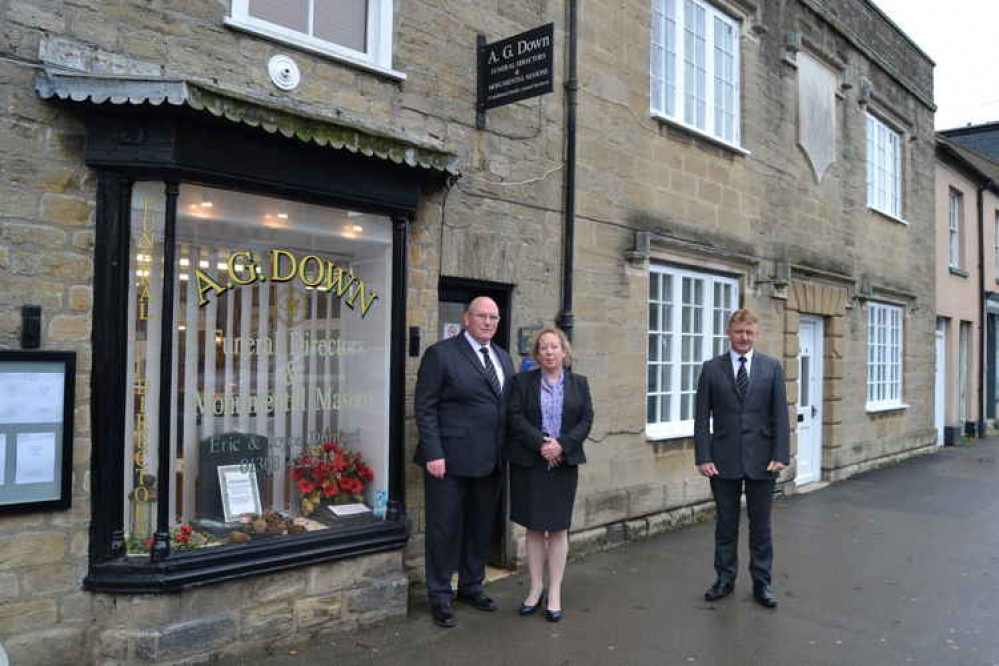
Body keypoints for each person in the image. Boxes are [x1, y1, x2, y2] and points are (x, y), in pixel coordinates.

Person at [413, 296, 515, 628]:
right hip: (449, 461)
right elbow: (425, 407)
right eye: (482, 316)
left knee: (480, 526)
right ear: (466, 318)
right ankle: (440, 595)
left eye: (494, 318)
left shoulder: (502, 357)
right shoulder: (441, 354)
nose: (488, 322)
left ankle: (471, 586)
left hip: (491, 460)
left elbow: (507, 408)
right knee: (444, 529)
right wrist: (434, 453)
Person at [694, 308, 789, 609]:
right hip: (722, 460)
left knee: (761, 527)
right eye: (739, 332)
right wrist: (703, 456)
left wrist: (780, 454)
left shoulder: (772, 368)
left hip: (763, 461)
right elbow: (700, 418)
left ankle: (762, 583)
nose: (744, 337)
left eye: (749, 332)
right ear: (729, 333)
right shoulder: (711, 369)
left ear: (756, 334)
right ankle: (724, 579)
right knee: (726, 524)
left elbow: (779, 414)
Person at [506, 328, 594, 622]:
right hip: (531, 463)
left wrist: (562, 445)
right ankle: (535, 588)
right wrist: (541, 443)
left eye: (554, 347)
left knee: (557, 529)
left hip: (563, 464)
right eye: (543, 347)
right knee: (533, 528)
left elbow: (586, 419)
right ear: (537, 354)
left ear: (564, 351)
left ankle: (554, 592)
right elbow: (514, 417)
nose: (549, 352)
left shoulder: (579, 383)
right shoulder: (521, 382)